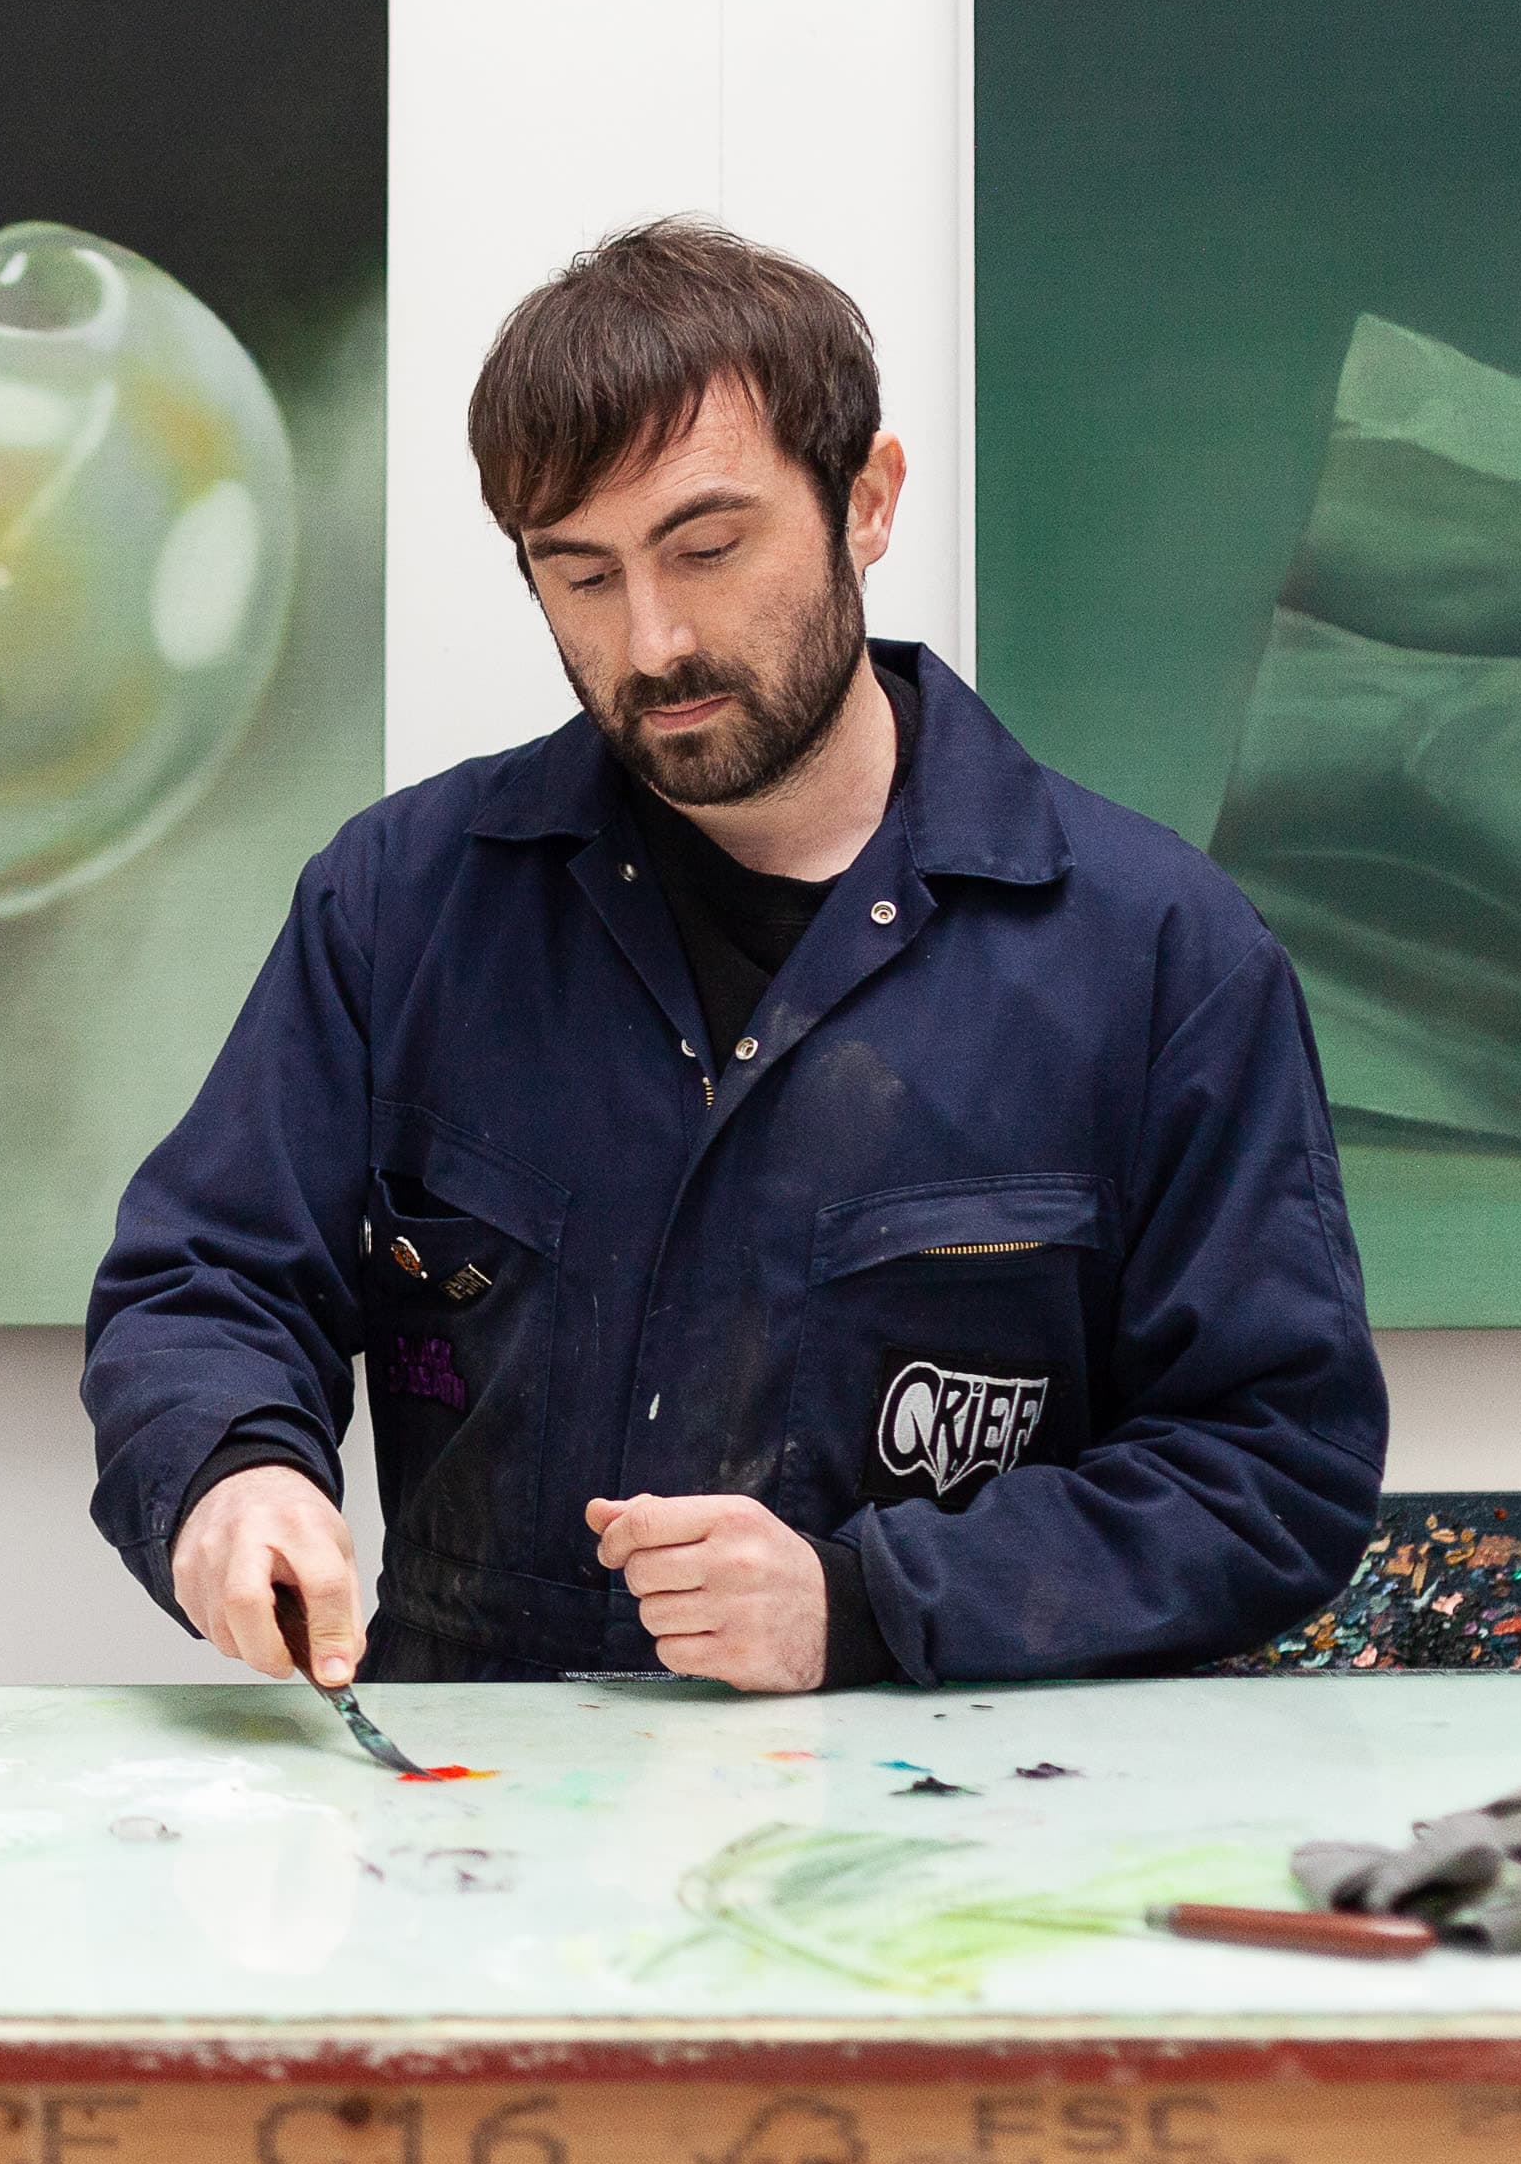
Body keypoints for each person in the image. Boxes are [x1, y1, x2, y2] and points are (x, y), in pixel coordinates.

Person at [82, 220, 1386, 1691]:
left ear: (867, 499)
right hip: (485, 1819)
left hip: (950, 1837)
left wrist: (866, 1601)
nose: (650, 643)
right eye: (577, 575)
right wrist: (230, 1472)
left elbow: (1270, 1471)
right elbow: (204, 1282)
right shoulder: (400, 901)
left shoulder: (1156, 952)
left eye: (706, 549)